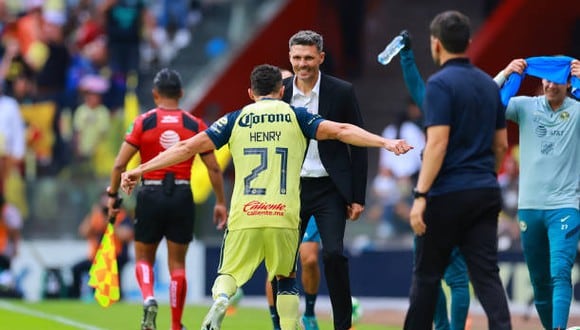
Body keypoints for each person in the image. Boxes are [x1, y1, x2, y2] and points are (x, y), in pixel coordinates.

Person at [119, 64, 412, 330]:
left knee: (229, 274)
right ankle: (288, 326)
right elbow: (342, 131)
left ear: (250, 92)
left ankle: (221, 299)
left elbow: (185, 149)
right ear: (282, 91)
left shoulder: (235, 119)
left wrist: (141, 169)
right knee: (285, 278)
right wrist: (386, 142)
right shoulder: (298, 117)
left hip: (245, 213)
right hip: (283, 215)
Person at [403, 10, 511, 329]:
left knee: (426, 277)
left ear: (436, 44)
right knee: (487, 277)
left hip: (447, 193)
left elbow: (437, 143)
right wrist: (486, 177)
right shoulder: (488, 86)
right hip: (485, 191)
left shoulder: (439, 84)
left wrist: (421, 194)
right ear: (469, 42)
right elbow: (501, 145)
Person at [106, 68, 227, 330]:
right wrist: (219, 202)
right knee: (177, 266)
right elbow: (214, 168)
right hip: (182, 195)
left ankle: (148, 296)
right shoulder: (195, 124)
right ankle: (175, 325)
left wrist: (113, 196)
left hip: (150, 193)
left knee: (143, 258)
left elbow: (119, 165)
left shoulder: (143, 122)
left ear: (155, 94)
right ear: (181, 93)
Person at [277, 29, 368, 330]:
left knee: (332, 255)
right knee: (284, 261)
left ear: (321, 58)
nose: (302, 64)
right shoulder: (280, 92)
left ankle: (342, 325)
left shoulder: (341, 91)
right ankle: (284, 324)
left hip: (330, 187)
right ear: (290, 58)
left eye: (308, 57)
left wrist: (358, 196)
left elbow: (359, 141)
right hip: (291, 188)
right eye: (297, 58)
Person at [493, 57, 580, 329]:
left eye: (557, 79)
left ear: (568, 82)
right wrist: (505, 72)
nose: (551, 84)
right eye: (547, 78)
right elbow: (484, 101)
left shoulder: (577, 111)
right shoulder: (524, 107)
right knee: (540, 282)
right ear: (541, 80)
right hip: (529, 208)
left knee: (561, 272)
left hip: (566, 206)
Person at [396, 31, 470, 330]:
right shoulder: (473, 103)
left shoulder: (438, 105)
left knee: (433, 274)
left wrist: (407, 54)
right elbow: (415, 85)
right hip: (455, 197)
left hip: (434, 198)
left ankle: (444, 327)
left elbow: (417, 87)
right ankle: (445, 326)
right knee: (450, 276)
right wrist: (406, 55)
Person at [69, 193, 133, 300]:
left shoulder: (122, 216)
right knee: (76, 269)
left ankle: (116, 297)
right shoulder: (96, 216)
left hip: (116, 256)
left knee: (111, 276)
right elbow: (83, 233)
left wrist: (111, 223)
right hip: (97, 257)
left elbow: (126, 235)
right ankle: (75, 298)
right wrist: (93, 215)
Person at [265, 216, 321, 330]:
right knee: (277, 266)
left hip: (308, 205)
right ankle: (277, 325)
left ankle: (309, 315)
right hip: (280, 206)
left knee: (310, 260)